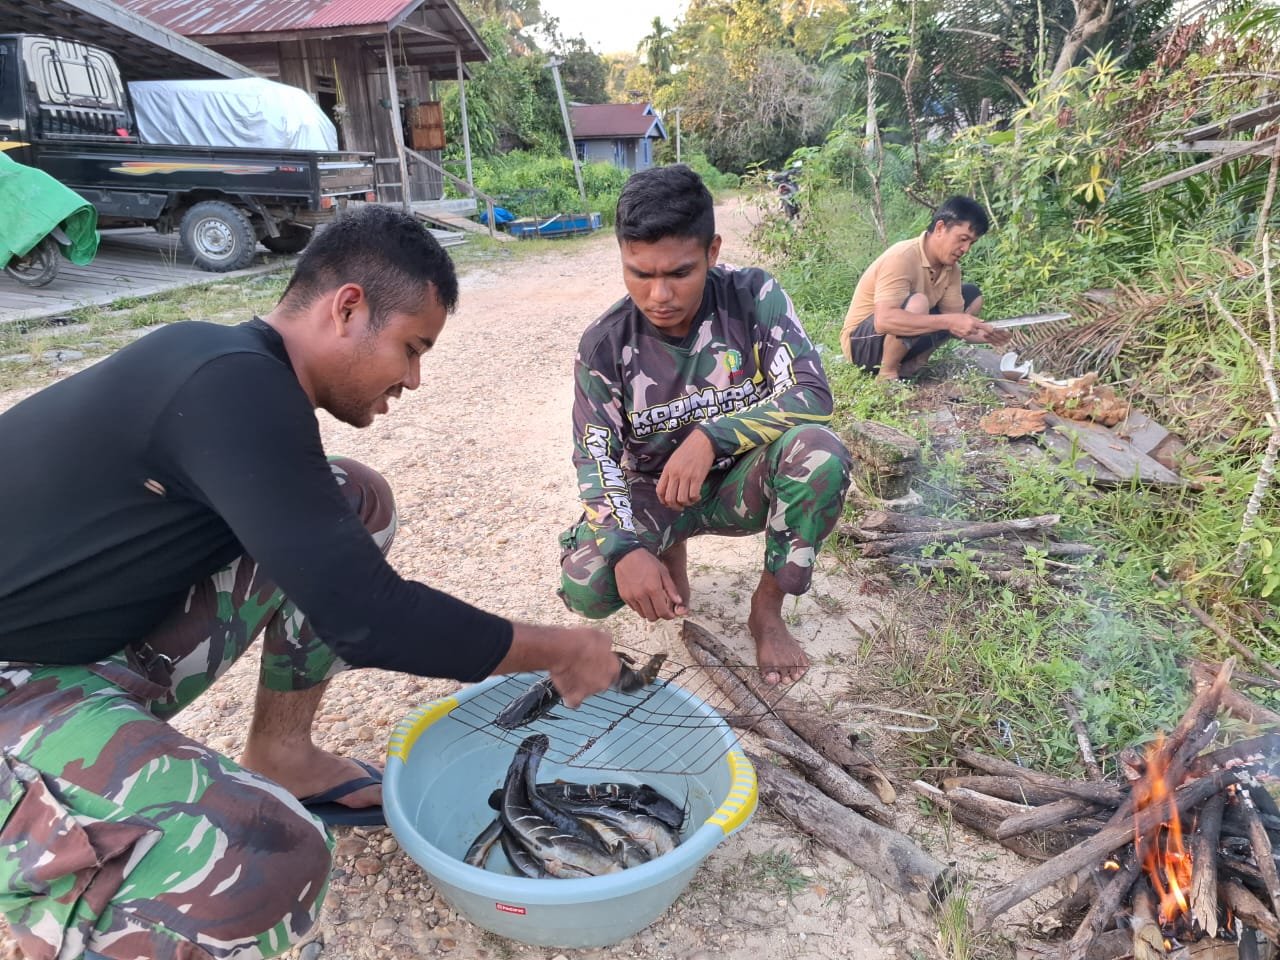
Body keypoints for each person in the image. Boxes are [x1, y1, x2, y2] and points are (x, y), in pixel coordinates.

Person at [0, 205, 620, 960]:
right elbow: (367, 617)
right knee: (270, 861)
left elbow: (336, 576)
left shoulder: (233, 372)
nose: (414, 379)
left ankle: (282, 755)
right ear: (347, 308)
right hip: (15, 682)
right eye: (411, 348)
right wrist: (562, 649)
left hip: (67, 646)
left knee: (351, 499)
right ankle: (68, 903)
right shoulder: (233, 385)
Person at [558, 165, 852, 688]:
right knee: (588, 582)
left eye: (679, 273)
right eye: (639, 274)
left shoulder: (753, 296)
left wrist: (712, 436)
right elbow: (594, 456)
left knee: (819, 451)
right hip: (656, 491)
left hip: (743, 482)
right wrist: (625, 550)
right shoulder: (605, 343)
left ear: (712, 252)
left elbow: (812, 393)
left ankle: (766, 611)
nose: (659, 295)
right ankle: (669, 545)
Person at [840, 195, 1011, 380]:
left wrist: (987, 334)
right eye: (962, 239)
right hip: (861, 346)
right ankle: (887, 374)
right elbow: (884, 321)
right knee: (919, 303)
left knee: (973, 296)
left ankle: (914, 364)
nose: (966, 249)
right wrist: (950, 321)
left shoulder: (952, 269)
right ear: (940, 228)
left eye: (971, 243)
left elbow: (956, 323)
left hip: (899, 339)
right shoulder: (901, 257)